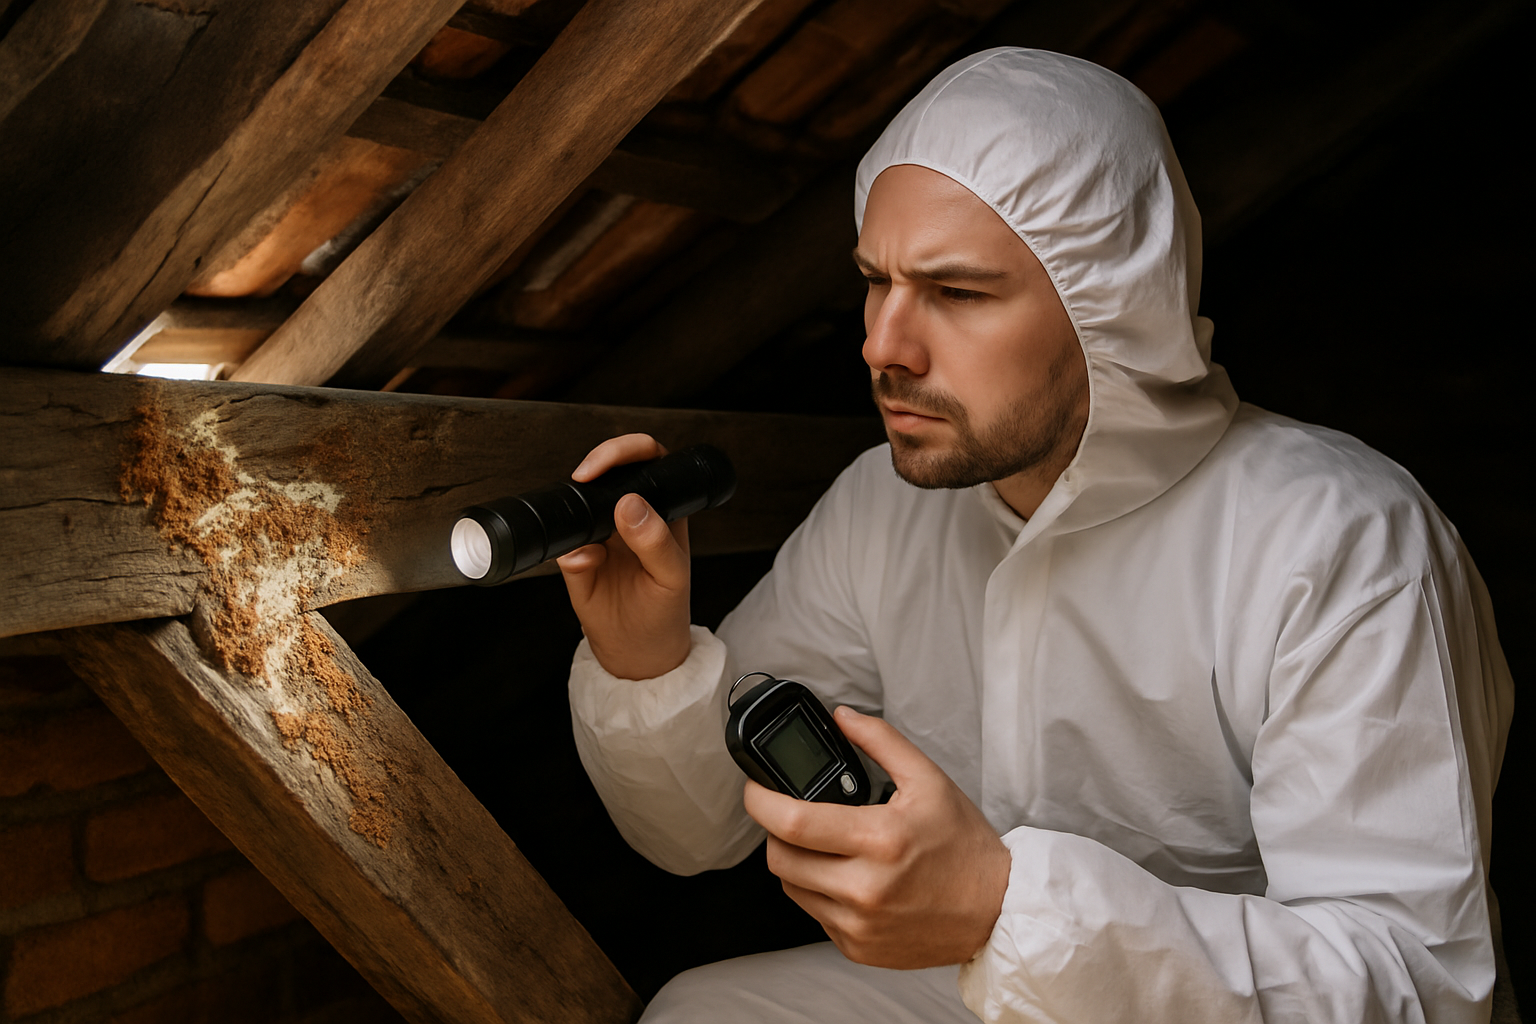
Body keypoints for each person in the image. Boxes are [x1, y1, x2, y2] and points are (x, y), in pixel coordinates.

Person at [555, 48, 1514, 1022]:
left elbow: (1420, 991)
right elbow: (701, 828)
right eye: (875, 280)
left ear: (1112, 305)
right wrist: (646, 662)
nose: (882, 344)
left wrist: (1000, 906)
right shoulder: (882, 507)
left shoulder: (1340, 540)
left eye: (958, 292)